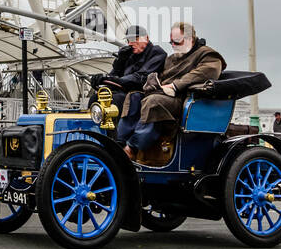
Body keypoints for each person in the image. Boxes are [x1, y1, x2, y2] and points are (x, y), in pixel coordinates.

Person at [117, 23, 225, 161]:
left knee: (153, 102)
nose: (173, 45)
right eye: (171, 42)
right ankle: (120, 142)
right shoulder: (172, 59)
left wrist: (175, 86)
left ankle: (132, 148)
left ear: (190, 39)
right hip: (165, 95)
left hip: (186, 99)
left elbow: (206, 72)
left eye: (177, 41)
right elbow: (161, 77)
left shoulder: (208, 55)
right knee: (134, 96)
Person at [90, 26, 167, 114]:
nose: (130, 43)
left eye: (135, 39)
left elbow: (141, 77)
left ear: (147, 38)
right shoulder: (129, 55)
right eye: (129, 40)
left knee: (116, 100)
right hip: (126, 92)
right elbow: (114, 76)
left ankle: (115, 127)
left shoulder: (156, 52)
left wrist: (112, 79)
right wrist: (120, 61)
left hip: (142, 93)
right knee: (95, 98)